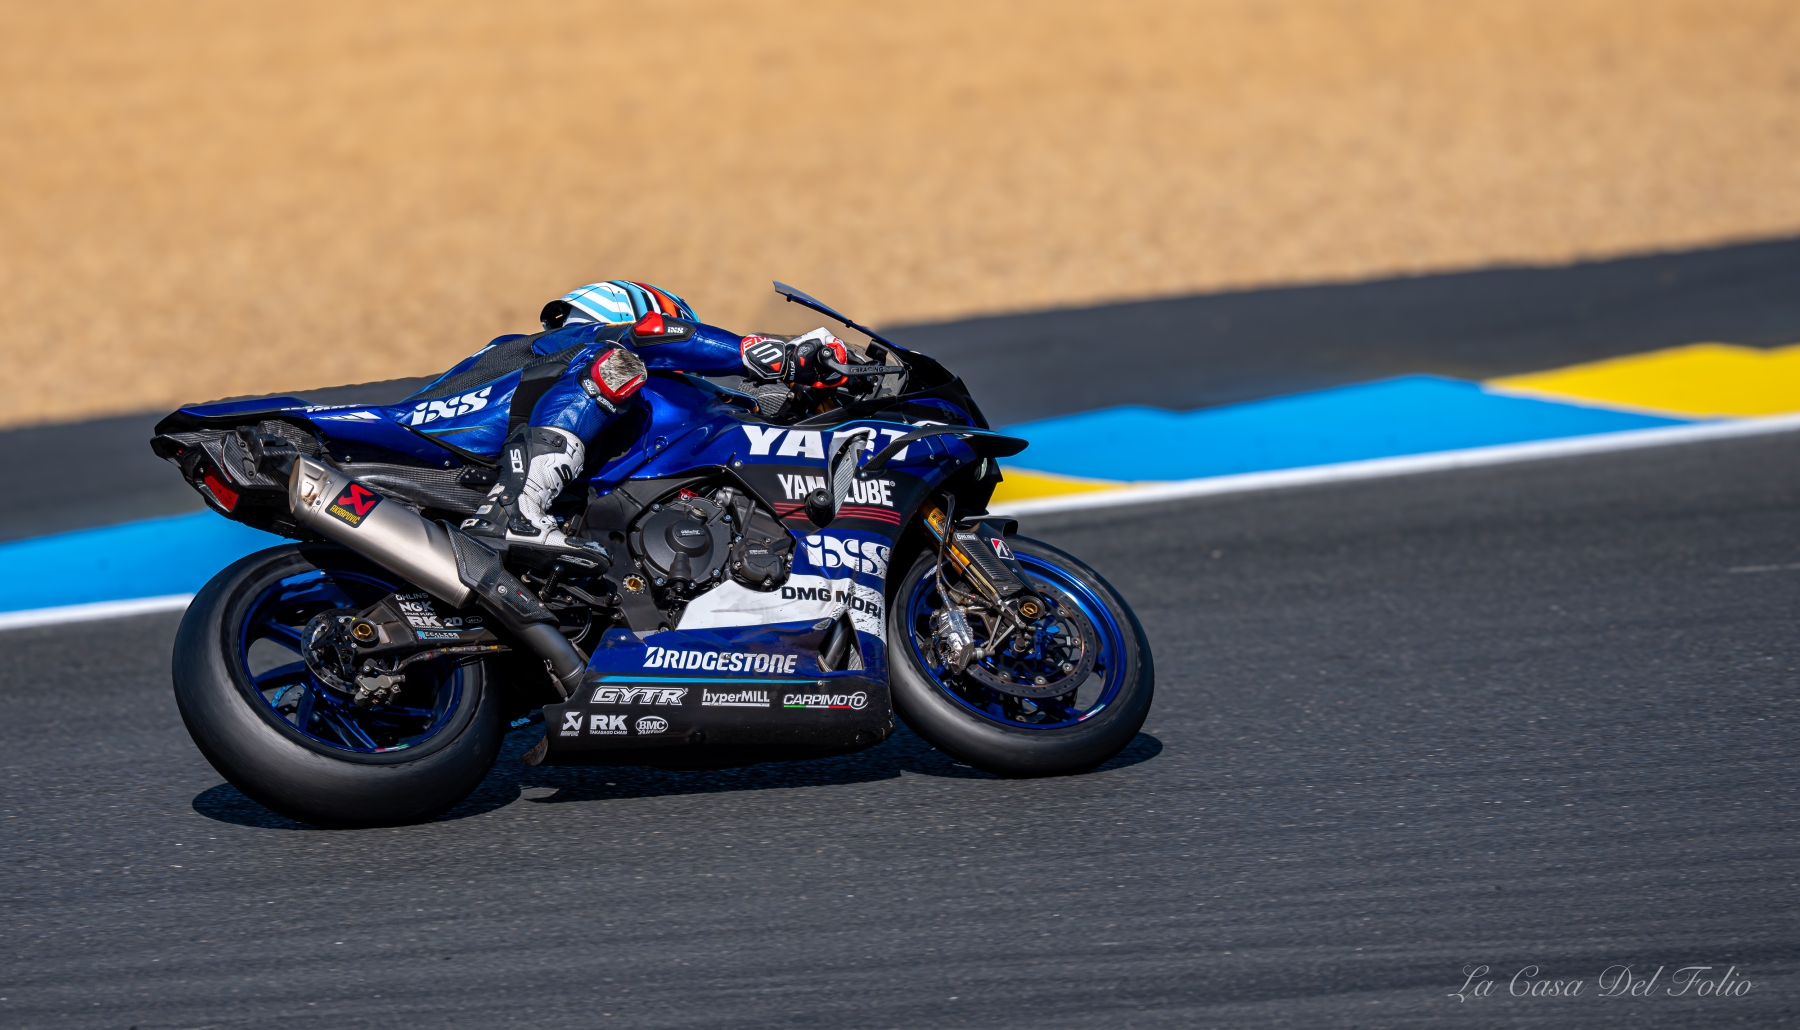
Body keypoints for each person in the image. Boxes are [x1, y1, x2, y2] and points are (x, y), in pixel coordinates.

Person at [401, 280, 856, 551]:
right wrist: (780, 356)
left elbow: (738, 407)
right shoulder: (585, 346)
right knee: (617, 363)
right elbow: (654, 335)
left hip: (456, 465)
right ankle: (514, 511)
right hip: (440, 448)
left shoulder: (529, 359)